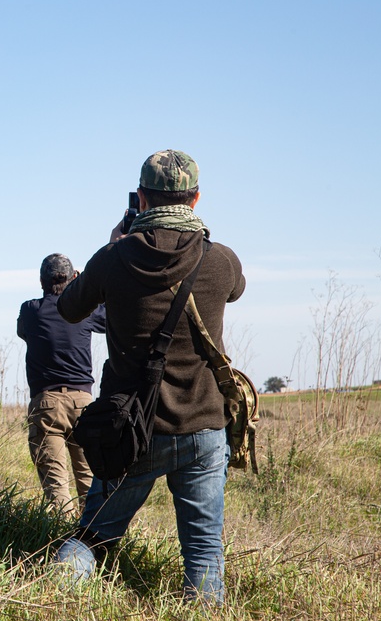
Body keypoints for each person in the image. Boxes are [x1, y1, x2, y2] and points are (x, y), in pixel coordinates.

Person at [55, 150, 246, 604]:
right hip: (204, 427)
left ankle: (55, 600)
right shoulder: (220, 260)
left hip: (132, 430)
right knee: (203, 550)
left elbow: (69, 308)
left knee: (92, 538)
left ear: (141, 198)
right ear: (196, 199)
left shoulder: (115, 257)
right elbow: (236, 289)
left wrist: (112, 246)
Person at [17, 254, 105, 514]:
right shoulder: (86, 312)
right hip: (83, 404)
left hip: (47, 405)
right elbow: (112, 316)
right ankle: (93, 540)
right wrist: (82, 287)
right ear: (72, 279)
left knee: (56, 489)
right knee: (90, 483)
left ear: (41, 281)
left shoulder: (31, 310)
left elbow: (24, 332)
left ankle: (60, 543)